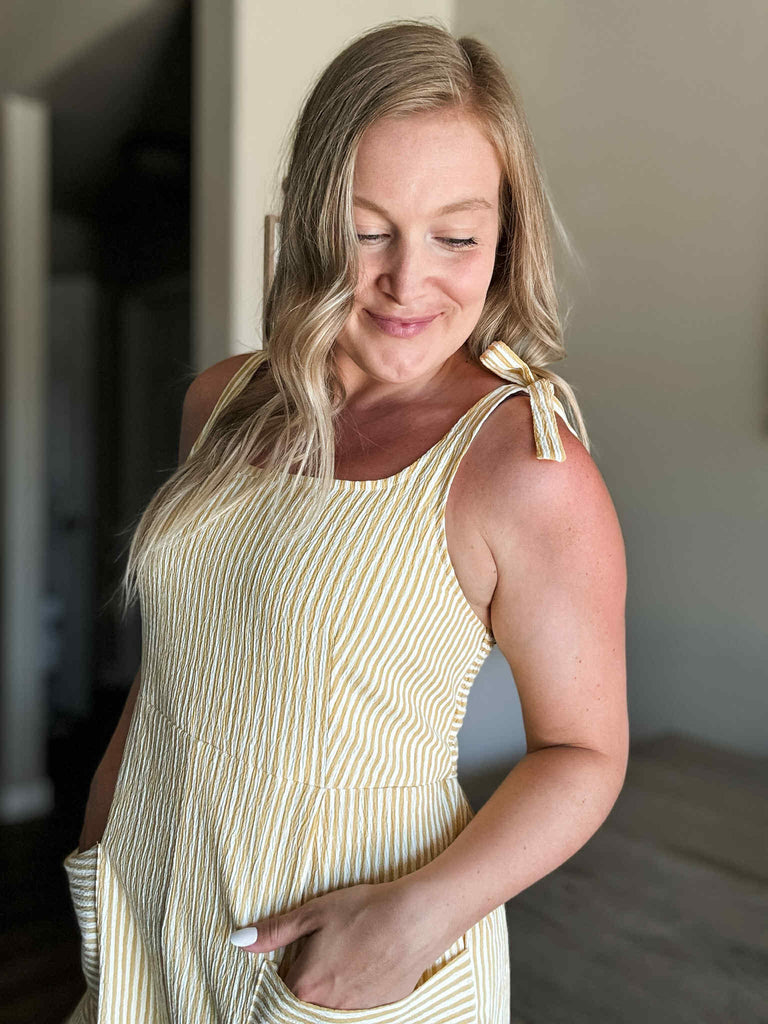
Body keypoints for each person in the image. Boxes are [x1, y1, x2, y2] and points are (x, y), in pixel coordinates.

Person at [61, 18, 628, 1024]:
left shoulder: (526, 469)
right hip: (152, 913)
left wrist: (414, 919)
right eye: (370, 230)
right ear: (311, 221)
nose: (409, 281)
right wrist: (100, 847)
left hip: (347, 954)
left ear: (505, 239)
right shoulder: (220, 402)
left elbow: (582, 754)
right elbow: (176, 663)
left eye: (456, 236)